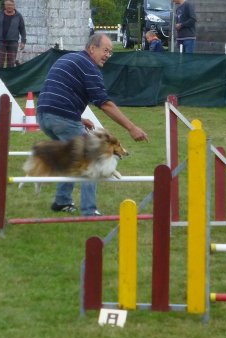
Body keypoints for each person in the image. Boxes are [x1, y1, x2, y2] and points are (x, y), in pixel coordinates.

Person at [37, 33, 149, 216]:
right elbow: (104, 103)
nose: (107, 55)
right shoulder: (89, 67)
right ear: (92, 49)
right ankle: (89, 211)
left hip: (43, 116)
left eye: (111, 52)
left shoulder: (70, 58)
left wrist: (78, 119)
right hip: (62, 118)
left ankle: (62, 201)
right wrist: (132, 128)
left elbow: (58, 91)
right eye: (105, 50)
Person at [0, 0, 26, 68]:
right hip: (0, 41)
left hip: (13, 42)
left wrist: (23, 42)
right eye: (7, 5)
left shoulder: (19, 16)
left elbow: (22, 30)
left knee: (11, 62)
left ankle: (9, 77)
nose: (9, 6)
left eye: (11, 5)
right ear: (5, 5)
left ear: (14, 6)